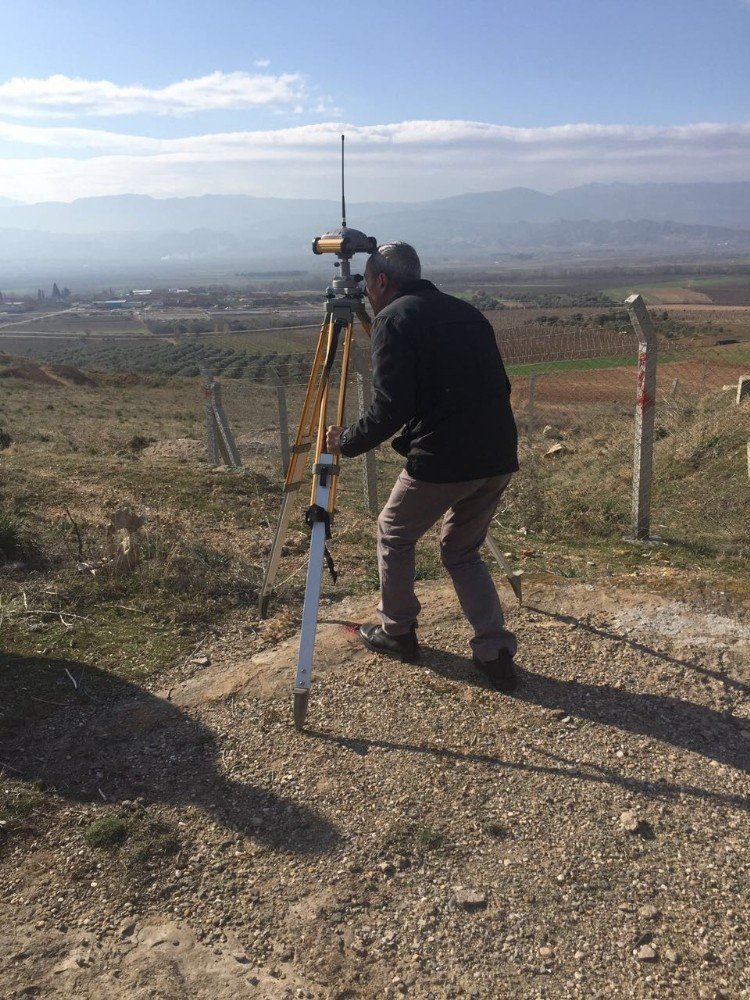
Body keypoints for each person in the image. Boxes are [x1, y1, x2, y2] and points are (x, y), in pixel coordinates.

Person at [326, 242, 520, 691]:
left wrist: (347, 443)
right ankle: (495, 651)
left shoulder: (394, 319)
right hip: (497, 454)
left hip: (445, 458)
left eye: (369, 286)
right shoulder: (465, 312)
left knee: (394, 531)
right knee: (461, 550)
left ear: (379, 282)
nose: (367, 295)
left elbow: (391, 407)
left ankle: (396, 631)